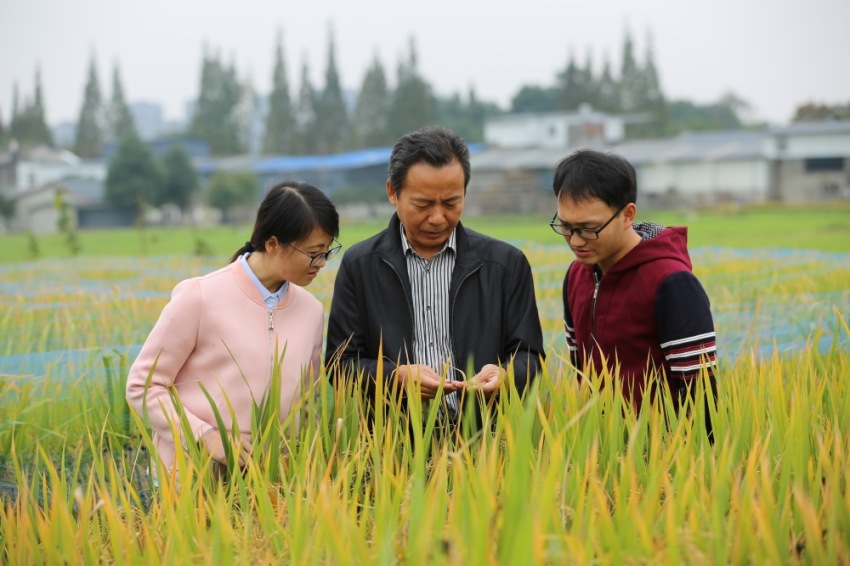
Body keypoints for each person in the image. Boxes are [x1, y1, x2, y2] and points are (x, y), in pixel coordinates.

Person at [325, 126, 544, 427]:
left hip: (485, 446)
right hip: (394, 449)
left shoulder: (505, 265)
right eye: (423, 204)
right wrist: (395, 378)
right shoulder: (360, 266)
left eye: (451, 203)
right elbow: (340, 365)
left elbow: (531, 357)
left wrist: (506, 376)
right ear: (393, 192)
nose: (438, 218)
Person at [126, 181, 341, 476]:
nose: (322, 263)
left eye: (328, 251)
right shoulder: (199, 296)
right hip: (191, 479)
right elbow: (143, 385)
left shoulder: (311, 311)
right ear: (273, 243)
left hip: (271, 484)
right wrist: (204, 436)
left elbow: (306, 402)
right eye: (314, 252)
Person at [550, 149, 717, 423]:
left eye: (588, 228)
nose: (576, 241)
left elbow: (701, 394)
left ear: (627, 215)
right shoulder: (576, 275)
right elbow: (580, 369)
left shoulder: (672, 283)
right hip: (598, 447)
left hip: (663, 452)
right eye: (565, 226)